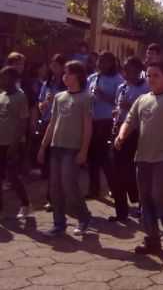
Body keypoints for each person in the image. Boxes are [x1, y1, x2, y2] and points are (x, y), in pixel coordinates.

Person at [114, 61, 163, 254]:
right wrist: (121, 135)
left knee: (161, 195)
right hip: (143, 157)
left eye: (156, 75)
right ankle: (152, 240)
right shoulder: (142, 100)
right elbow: (129, 120)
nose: (151, 79)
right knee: (145, 200)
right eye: (148, 76)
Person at [38, 61, 92, 236]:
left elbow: (87, 126)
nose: (64, 76)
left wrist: (84, 150)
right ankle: (59, 224)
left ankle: (83, 217)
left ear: (78, 76)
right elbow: (52, 123)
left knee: (69, 184)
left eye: (68, 73)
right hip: (56, 146)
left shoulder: (86, 97)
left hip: (73, 148)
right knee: (54, 187)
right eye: (64, 74)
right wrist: (43, 147)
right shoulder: (59, 97)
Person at [109, 57, 149, 222]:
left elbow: (149, 111)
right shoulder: (121, 87)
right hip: (120, 129)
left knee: (134, 171)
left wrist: (131, 108)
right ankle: (121, 212)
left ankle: (141, 204)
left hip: (137, 132)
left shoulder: (145, 87)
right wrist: (116, 112)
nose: (126, 73)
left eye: (130, 70)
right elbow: (118, 106)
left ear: (138, 70)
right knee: (115, 171)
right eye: (124, 69)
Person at [86, 52, 124, 199]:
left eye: (105, 62)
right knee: (92, 157)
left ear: (111, 63)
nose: (101, 64)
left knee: (105, 157)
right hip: (92, 120)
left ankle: (114, 188)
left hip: (107, 121)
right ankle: (93, 189)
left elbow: (119, 102)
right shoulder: (92, 78)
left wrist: (104, 96)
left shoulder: (118, 80)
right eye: (100, 61)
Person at [0, 66, 31, 220]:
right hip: (0, 141)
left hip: (13, 143)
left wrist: (15, 143)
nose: (1, 80)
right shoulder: (1, 95)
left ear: (13, 79)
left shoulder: (20, 96)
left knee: (12, 176)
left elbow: (23, 122)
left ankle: (25, 204)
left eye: (4, 77)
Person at [37, 54, 67, 210]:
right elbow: (40, 103)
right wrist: (43, 104)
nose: (54, 69)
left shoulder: (67, 84)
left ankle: (60, 197)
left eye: (57, 65)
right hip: (48, 123)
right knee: (49, 164)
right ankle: (51, 197)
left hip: (62, 125)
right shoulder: (46, 83)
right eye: (52, 65)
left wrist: (57, 98)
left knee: (59, 164)